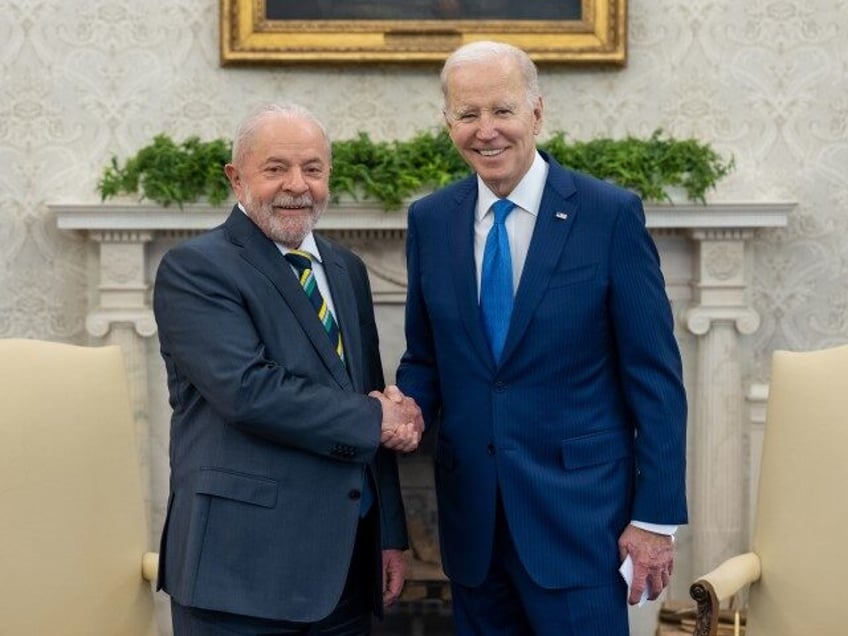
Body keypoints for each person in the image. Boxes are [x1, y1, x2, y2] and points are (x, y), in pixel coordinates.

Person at [396, 41, 688, 635]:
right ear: (447, 122)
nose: (485, 131)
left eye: (501, 111)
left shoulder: (608, 215)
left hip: (581, 524)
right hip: (474, 525)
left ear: (536, 112)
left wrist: (656, 518)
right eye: (467, 114)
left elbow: (654, 376)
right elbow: (426, 359)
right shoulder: (431, 220)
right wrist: (400, 410)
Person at [153, 102, 424, 635]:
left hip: (345, 568)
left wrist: (389, 533)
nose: (297, 185)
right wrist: (378, 420)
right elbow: (247, 391)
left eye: (313, 169)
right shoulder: (196, 269)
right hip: (241, 573)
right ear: (236, 177)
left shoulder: (346, 268)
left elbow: (366, 388)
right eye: (275, 168)